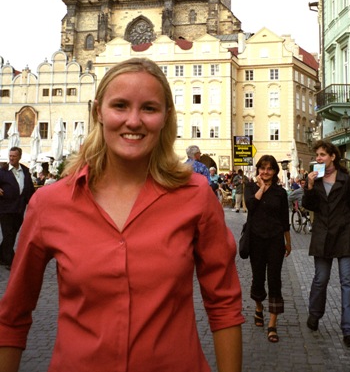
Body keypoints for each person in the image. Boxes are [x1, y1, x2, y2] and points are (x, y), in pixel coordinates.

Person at [0, 58, 244, 372]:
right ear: (98, 112)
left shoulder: (196, 196)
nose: (133, 120)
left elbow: (224, 305)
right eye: (120, 105)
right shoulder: (50, 203)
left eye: (149, 108)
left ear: (166, 117)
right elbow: (13, 315)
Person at [303, 140, 350, 349]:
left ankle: (349, 330)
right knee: (320, 279)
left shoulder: (347, 181)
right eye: (317, 154)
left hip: (344, 235)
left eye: (322, 154)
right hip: (322, 235)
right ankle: (315, 314)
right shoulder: (315, 181)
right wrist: (308, 186)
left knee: (347, 282)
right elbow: (309, 206)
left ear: (333, 156)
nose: (318, 158)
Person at [244, 154, 291, 343]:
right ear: (258, 170)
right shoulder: (250, 187)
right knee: (258, 278)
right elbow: (251, 206)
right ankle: (258, 307)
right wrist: (261, 188)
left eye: (269, 168)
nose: (265, 172)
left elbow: (284, 220)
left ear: (274, 171)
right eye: (262, 168)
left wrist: (288, 242)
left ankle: (272, 323)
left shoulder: (280, 193)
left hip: (275, 241)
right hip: (255, 240)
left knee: (274, 279)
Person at [0, 147, 35, 270]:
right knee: (8, 234)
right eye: (10, 156)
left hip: (19, 209)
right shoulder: (3, 171)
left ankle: (2, 256)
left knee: (12, 234)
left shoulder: (25, 171)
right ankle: (11, 261)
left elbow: (30, 189)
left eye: (14, 156)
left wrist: (34, 204)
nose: (11, 158)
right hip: (5, 209)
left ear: (19, 156)